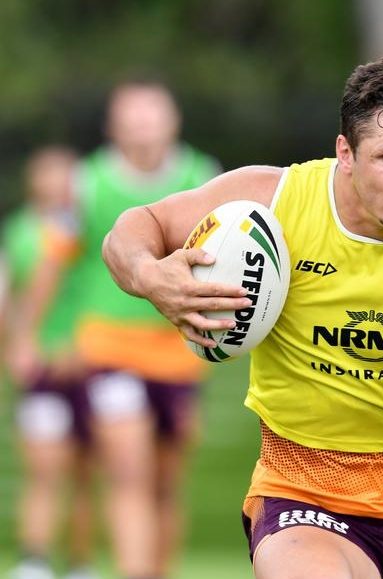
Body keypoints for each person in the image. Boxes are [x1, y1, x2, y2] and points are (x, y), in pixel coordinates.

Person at [102, 56, 383, 579]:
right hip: (302, 490)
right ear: (346, 153)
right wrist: (151, 277)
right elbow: (134, 229)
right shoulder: (277, 200)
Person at [18, 80, 220, 579]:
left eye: (152, 114)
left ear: (173, 121)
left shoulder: (203, 179)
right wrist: (26, 337)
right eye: (132, 116)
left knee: (165, 484)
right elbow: (52, 263)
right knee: (128, 476)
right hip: (110, 349)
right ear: (113, 126)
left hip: (181, 353)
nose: (143, 126)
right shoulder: (86, 183)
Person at [2, 147, 98, 579]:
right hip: (40, 367)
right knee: (43, 468)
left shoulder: (93, 228)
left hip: (90, 362)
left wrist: (83, 347)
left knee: (85, 472)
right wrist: (17, 350)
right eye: (48, 173)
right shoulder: (19, 231)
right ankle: (35, 559)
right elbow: (10, 299)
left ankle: (80, 563)